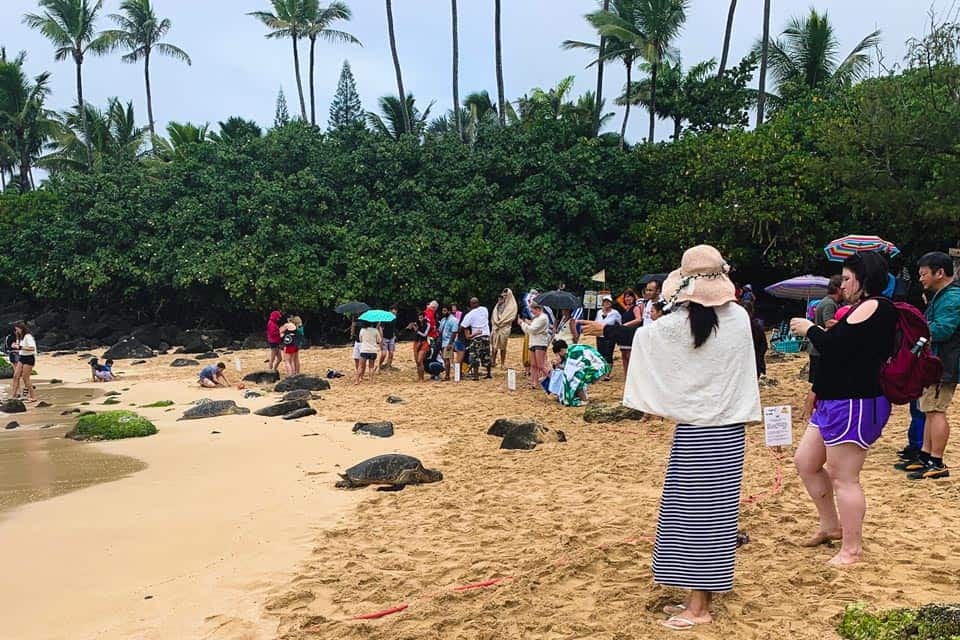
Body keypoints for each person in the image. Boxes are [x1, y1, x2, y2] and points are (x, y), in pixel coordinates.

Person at [581, 245, 760, 630]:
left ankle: (700, 607)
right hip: (726, 429)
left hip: (699, 429)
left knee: (695, 517)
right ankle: (695, 597)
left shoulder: (683, 324)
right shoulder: (737, 317)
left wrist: (607, 329)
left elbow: (648, 339)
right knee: (705, 516)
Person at [789, 251, 898, 565]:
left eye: (848, 278)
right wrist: (816, 391)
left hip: (856, 402)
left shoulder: (876, 306)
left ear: (863, 279)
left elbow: (835, 348)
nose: (843, 284)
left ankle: (852, 548)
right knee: (807, 462)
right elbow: (838, 357)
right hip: (834, 399)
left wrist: (809, 329)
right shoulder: (856, 309)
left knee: (844, 477)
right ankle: (831, 526)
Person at [901, 251, 960, 480]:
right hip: (933, 362)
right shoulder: (942, 296)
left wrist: (917, 331)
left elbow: (942, 329)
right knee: (928, 409)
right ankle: (925, 457)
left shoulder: (953, 297)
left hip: (944, 364)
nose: (921, 278)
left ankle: (937, 462)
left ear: (940, 273)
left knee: (936, 411)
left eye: (924, 274)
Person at [802, 276, 844, 420]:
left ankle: (811, 410)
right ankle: (807, 411)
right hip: (819, 349)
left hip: (817, 348)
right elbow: (828, 323)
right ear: (838, 288)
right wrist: (847, 323)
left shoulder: (826, 301)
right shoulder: (829, 304)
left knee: (819, 382)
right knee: (818, 382)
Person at [545, 339, 609, 406]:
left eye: (558, 354)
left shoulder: (572, 354)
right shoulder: (572, 348)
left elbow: (569, 373)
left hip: (598, 368)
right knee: (576, 377)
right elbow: (570, 368)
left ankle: (584, 400)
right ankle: (581, 397)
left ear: (561, 350)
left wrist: (558, 366)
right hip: (600, 366)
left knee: (576, 379)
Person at [518, 302, 551, 388]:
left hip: (540, 342)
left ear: (537, 309)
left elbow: (532, 329)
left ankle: (553, 379)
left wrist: (522, 323)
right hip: (533, 342)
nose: (531, 312)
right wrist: (528, 323)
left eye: (532, 310)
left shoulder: (543, 318)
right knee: (533, 364)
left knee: (541, 365)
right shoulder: (537, 318)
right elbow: (532, 327)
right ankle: (534, 382)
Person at [461, 297, 492, 380]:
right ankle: (489, 373)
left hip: (476, 337)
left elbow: (463, 326)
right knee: (486, 355)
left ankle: (476, 376)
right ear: (478, 303)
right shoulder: (485, 309)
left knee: (474, 356)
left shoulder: (470, 314)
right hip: (486, 335)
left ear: (471, 304)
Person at [617, 288, 642, 375]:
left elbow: (639, 319)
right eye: (626, 297)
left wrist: (626, 325)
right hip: (624, 333)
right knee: (624, 355)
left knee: (630, 355)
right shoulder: (626, 309)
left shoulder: (635, 308)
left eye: (629, 297)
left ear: (633, 298)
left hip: (631, 332)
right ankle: (626, 374)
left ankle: (632, 374)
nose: (628, 299)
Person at [595, 295, 621, 381]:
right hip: (600, 335)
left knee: (608, 354)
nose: (606, 303)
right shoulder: (599, 312)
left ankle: (607, 374)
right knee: (600, 354)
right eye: (604, 302)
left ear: (611, 303)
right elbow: (596, 322)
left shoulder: (615, 313)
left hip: (610, 336)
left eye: (608, 302)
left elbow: (620, 323)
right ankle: (602, 372)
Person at [490, 289, 518, 368]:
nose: (504, 297)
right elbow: (493, 315)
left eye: (506, 295)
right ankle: (493, 361)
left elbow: (511, 317)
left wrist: (501, 322)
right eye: (503, 295)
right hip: (496, 327)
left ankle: (502, 363)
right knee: (494, 345)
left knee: (503, 346)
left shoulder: (512, 305)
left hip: (505, 327)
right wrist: (496, 322)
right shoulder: (498, 304)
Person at [10, 322, 37, 403]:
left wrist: (20, 347)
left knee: (25, 378)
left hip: (29, 358)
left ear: (21, 328)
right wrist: (15, 346)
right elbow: (20, 347)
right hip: (22, 357)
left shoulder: (28, 336)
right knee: (16, 376)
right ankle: (13, 396)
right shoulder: (20, 337)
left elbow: (32, 348)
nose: (16, 331)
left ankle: (33, 397)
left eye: (17, 329)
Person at [407, 312, 431, 382]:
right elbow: (407, 330)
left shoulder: (427, 324)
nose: (420, 319)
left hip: (424, 342)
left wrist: (417, 330)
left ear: (424, 317)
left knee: (420, 360)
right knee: (417, 362)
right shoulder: (415, 324)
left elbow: (425, 335)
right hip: (416, 342)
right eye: (419, 318)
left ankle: (422, 378)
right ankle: (419, 377)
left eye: (421, 318)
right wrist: (410, 326)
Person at [438, 305, 459, 381]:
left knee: (447, 359)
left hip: (448, 341)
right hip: (443, 341)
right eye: (443, 310)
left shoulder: (453, 320)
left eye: (445, 311)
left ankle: (447, 376)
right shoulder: (443, 320)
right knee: (444, 358)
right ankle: (447, 375)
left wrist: (450, 343)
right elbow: (440, 330)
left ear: (449, 311)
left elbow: (454, 332)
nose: (443, 312)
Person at [379, 304, 399, 371]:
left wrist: (394, 335)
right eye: (393, 312)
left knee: (391, 353)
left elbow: (393, 328)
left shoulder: (394, 318)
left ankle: (388, 366)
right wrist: (381, 339)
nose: (394, 313)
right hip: (384, 337)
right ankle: (379, 365)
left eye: (395, 311)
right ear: (389, 311)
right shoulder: (385, 318)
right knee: (384, 354)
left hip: (391, 337)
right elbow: (381, 328)